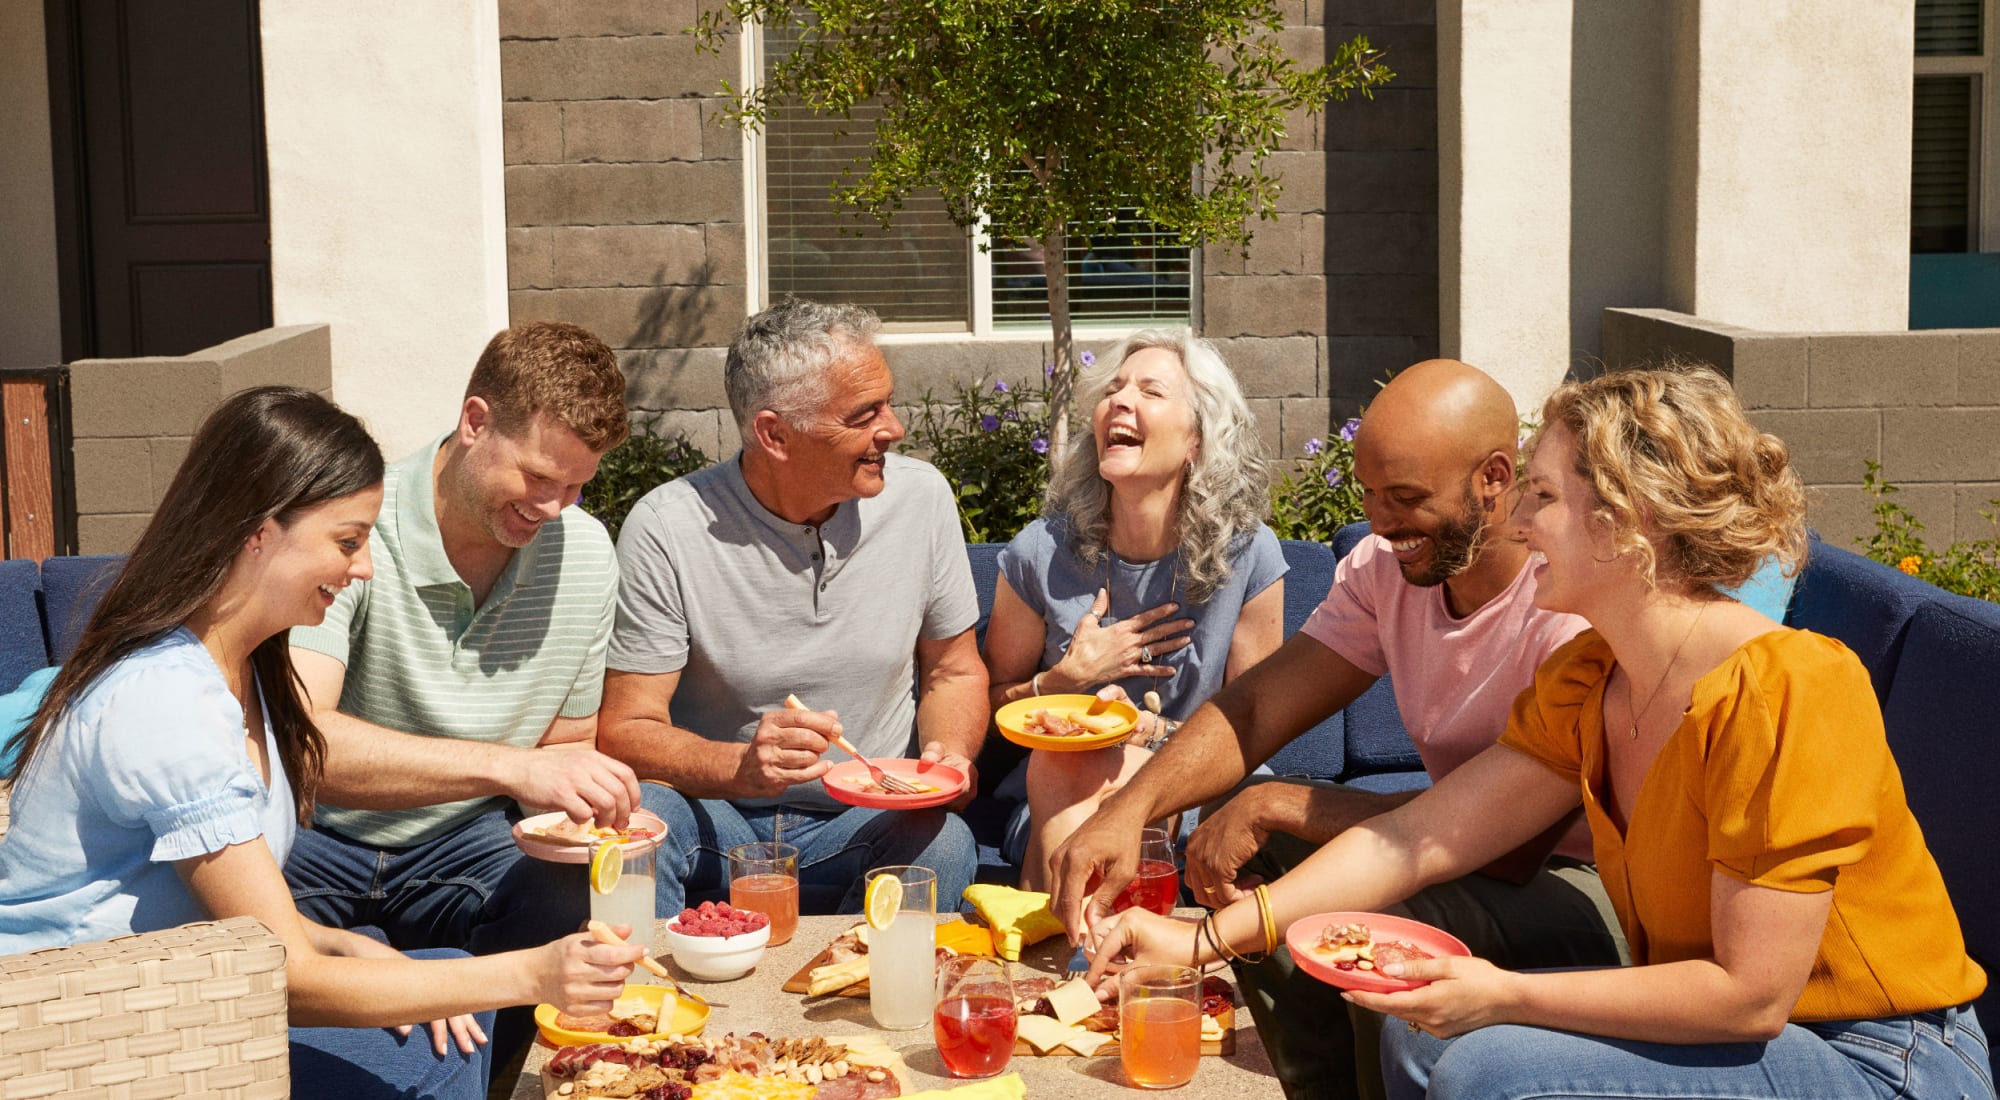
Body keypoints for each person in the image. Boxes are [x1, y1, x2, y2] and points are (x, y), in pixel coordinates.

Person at [1086, 365, 1993, 1100]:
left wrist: (1503, 998)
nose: (1517, 523)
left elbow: (1753, 997)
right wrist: (1204, 941)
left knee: (1486, 1065)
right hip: (1750, 1041)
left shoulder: (1792, 687)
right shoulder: (1589, 680)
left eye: (1543, 497)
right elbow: (1417, 838)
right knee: (1419, 1020)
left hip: (1879, 1058)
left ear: (1631, 520)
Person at [0, 387, 640, 1100]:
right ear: (258, 532)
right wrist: (535, 973)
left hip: (170, 990)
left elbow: (224, 914)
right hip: (80, 1033)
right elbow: (282, 977)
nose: (363, 567)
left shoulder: (240, 671)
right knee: (440, 1041)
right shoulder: (167, 699)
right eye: (346, 541)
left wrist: (337, 940)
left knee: (445, 988)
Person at [285, 322, 638, 1058]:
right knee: (232, 934)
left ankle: (543, 1069)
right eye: (539, 478)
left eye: (577, 486)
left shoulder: (585, 554)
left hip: (469, 847)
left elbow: (563, 751)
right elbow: (303, 744)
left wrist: (586, 808)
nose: (554, 508)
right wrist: (511, 767)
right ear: (475, 422)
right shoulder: (355, 528)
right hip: (313, 840)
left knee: (611, 877)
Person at [600, 298, 985, 916]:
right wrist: (741, 767)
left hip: (865, 822)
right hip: (716, 822)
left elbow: (954, 670)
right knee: (641, 821)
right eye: (865, 415)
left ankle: (863, 989)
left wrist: (951, 755)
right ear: (774, 434)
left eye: (887, 403)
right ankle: (647, 1006)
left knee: (943, 844)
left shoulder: (921, 498)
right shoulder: (668, 525)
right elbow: (625, 729)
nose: (894, 428)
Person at [983, 329, 1285, 890]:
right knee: (1078, 791)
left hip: (1202, 788)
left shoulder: (1249, 553)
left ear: (1197, 438)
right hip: (1071, 787)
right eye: (1114, 390)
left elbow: (1259, 725)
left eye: (1150, 392)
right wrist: (1061, 683)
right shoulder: (1038, 553)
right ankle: (1068, 962)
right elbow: (989, 713)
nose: (1120, 401)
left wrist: (1150, 737)